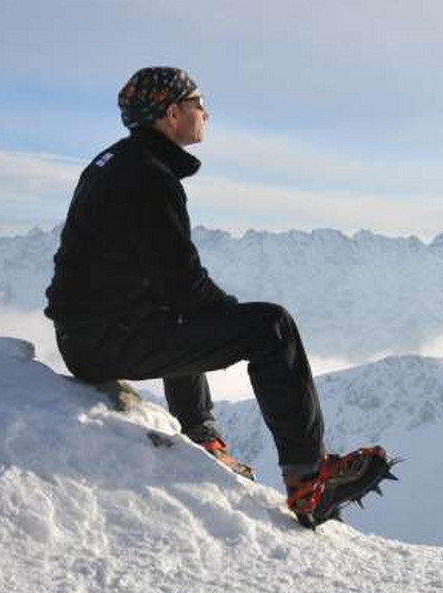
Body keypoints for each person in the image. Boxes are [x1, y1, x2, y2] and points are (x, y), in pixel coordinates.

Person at [44, 66, 394, 527]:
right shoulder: (148, 176)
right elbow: (183, 287)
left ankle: (200, 437)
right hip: (108, 339)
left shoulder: (114, 163)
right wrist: (234, 322)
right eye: (198, 101)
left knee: (184, 316)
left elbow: (164, 285)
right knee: (272, 327)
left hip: (90, 334)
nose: (206, 112)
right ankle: (311, 481)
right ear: (172, 113)